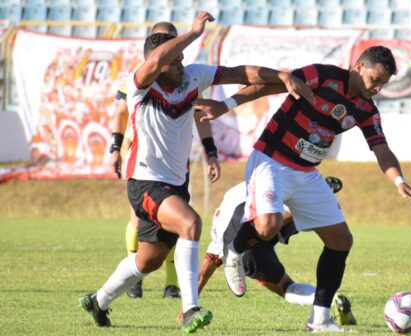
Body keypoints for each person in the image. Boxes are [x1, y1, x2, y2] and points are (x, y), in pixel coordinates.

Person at [79, 11, 314, 334]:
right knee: (191, 223)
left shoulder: (192, 76)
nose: (181, 65)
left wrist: (282, 77)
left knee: (149, 260)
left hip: (176, 183)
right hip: (145, 182)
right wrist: (192, 32)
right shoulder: (139, 84)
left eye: (182, 60)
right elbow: (160, 56)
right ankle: (191, 309)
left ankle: (98, 301)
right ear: (156, 64)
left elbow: (239, 73)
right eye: (175, 60)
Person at [195, 45, 411, 333]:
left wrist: (398, 181)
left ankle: (319, 321)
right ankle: (235, 252)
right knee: (267, 224)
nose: (377, 88)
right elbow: (269, 85)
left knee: (341, 240)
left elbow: (381, 148)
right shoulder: (322, 76)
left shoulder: (365, 109)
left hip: (306, 173)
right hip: (271, 160)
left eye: (383, 84)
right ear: (359, 67)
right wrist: (225, 105)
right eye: (375, 79)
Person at [108, 21, 220, 300]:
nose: (176, 51)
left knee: (173, 227)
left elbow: (201, 114)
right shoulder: (137, 78)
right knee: (151, 218)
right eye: (169, 44)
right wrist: (115, 147)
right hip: (141, 157)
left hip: (176, 162)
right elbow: (121, 112)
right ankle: (141, 280)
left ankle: (169, 283)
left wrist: (211, 153)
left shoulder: (187, 81)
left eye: (176, 43)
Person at [194, 176, 357, 326]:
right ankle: (305, 205)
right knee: (286, 217)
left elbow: (202, 274)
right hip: (266, 203)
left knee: (286, 287)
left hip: (246, 232)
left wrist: (189, 306)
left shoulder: (219, 232)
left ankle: (331, 299)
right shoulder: (240, 188)